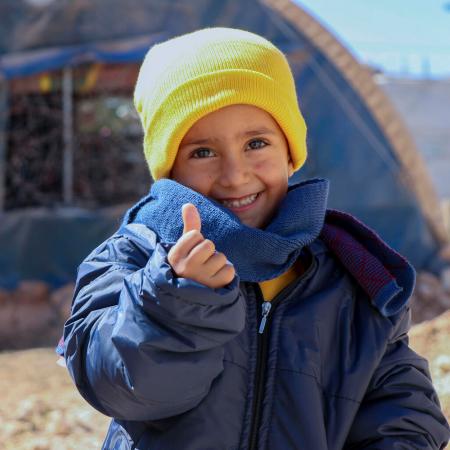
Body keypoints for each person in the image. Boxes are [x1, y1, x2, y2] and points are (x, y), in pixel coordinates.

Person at [58, 28, 450, 449]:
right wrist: (180, 300)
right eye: (202, 152)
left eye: (256, 143)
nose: (235, 175)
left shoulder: (350, 273)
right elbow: (118, 385)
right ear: (169, 167)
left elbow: (397, 402)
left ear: (290, 152)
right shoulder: (131, 257)